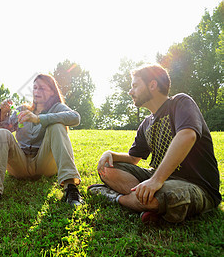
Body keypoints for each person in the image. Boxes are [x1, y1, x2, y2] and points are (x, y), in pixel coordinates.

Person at [89, 64, 221, 224]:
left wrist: (156, 180)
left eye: (135, 86)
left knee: (162, 196)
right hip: (158, 178)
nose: (130, 92)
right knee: (108, 169)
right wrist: (110, 154)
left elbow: (187, 135)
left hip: (197, 185)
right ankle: (144, 202)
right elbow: (133, 158)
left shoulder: (180, 102)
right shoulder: (146, 123)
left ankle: (118, 198)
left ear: (152, 85)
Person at [0, 73, 84, 209]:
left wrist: (39, 119)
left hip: (45, 163)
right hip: (20, 163)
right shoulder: (21, 110)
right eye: (35, 88)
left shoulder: (57, 107)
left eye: (42, 88)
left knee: (57, 125)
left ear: (52, 91)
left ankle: (71, 188)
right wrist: (3, 114)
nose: (36, 92)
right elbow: (0, 131)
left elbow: (75, 118)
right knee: (1, 133)